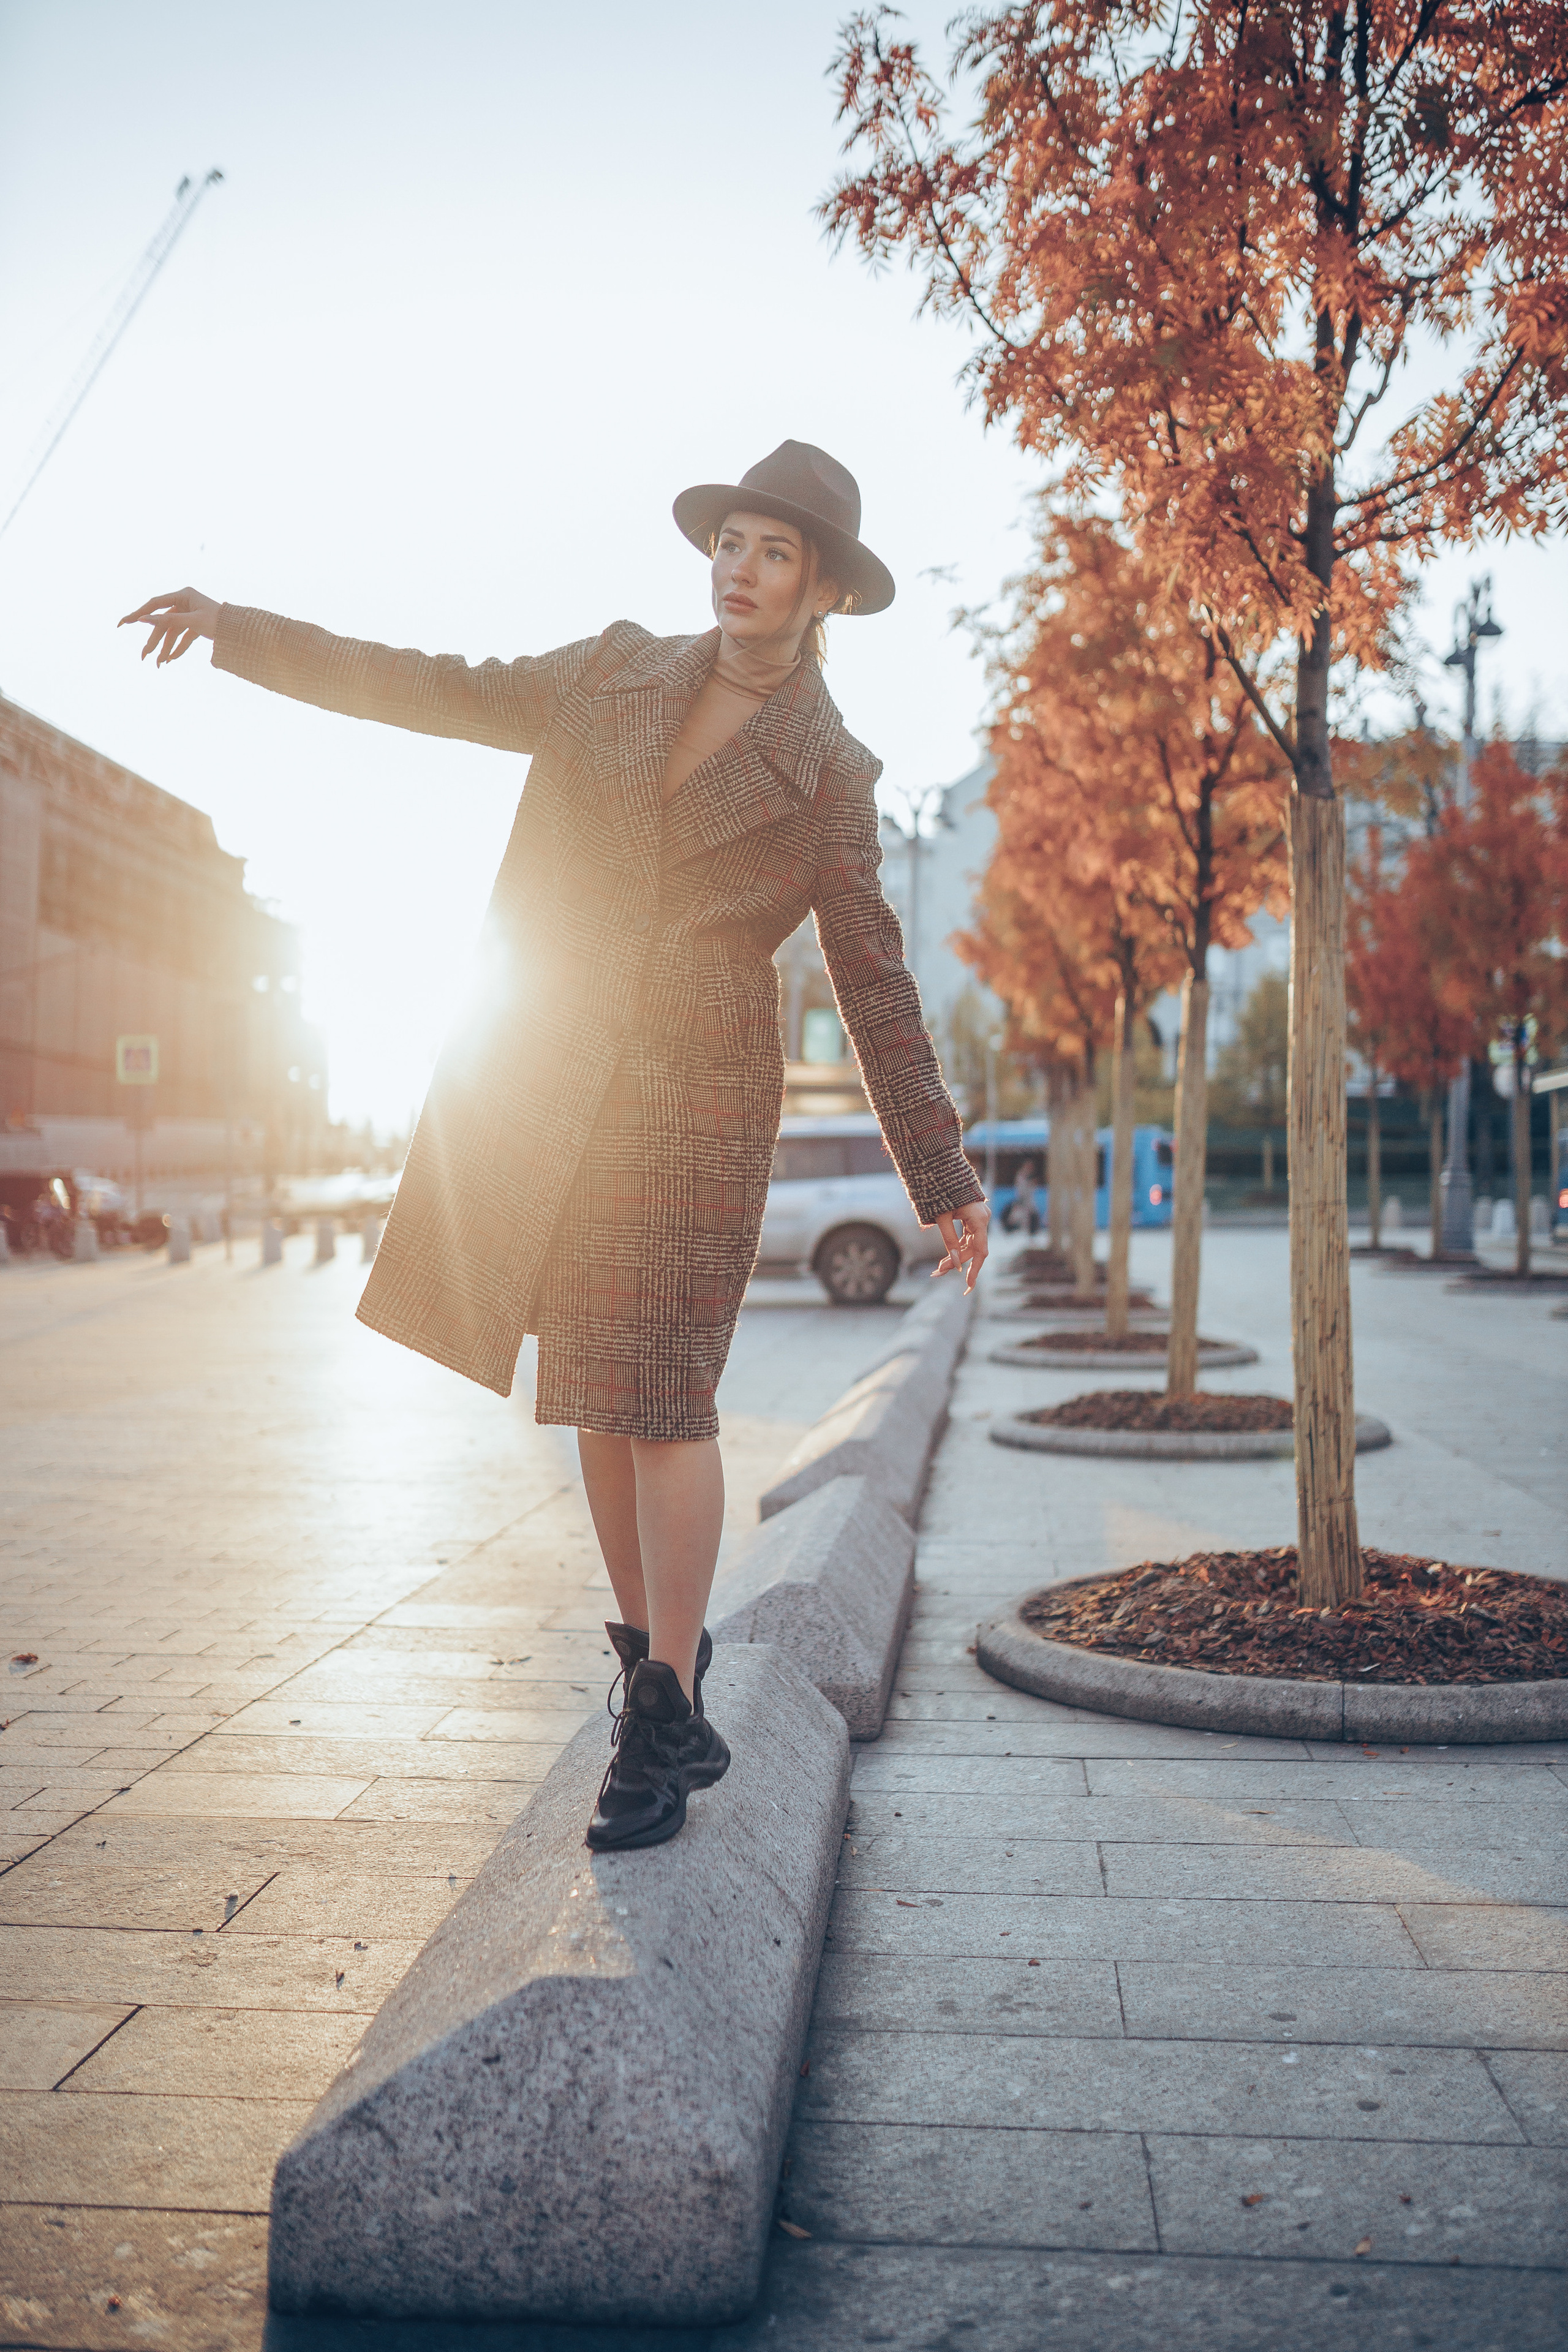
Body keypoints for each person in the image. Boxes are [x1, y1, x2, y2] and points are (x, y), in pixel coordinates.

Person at [120, 439, 990, 1850]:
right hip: (555, 1083)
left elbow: (871, 977)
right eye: (729, 543)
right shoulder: (614, 672)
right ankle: (657, 1676)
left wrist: (936, 1174)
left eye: (774, 553)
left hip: (699, 1102)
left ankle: (659, 1706)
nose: (739, 570)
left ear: (821, 586)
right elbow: (432, 688)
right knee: (591, 1393)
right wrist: (239, 633)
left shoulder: (828, 770)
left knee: (664, 1397)